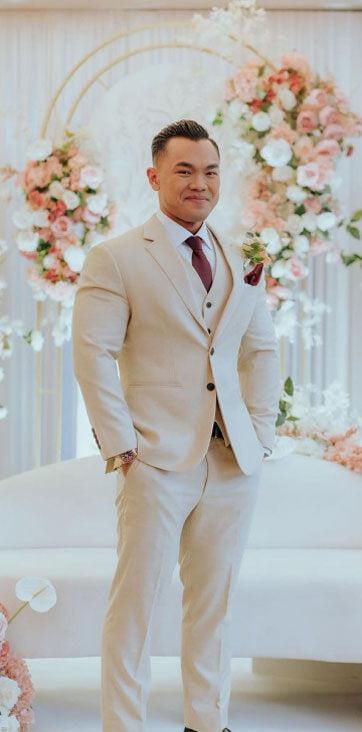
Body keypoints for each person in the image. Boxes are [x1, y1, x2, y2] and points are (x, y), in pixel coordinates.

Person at [71, 118, 280, 732]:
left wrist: (261, 434)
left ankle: (206, 723)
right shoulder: (115, 257)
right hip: (154, 459)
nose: (199, 183)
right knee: (136, 607)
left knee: (214, 604)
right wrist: (122, 446)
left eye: (210, 170)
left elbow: (260, 350)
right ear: (154, 175)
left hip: (233, 460)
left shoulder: (238, 256)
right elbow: (92, 354)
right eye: (184, 170)